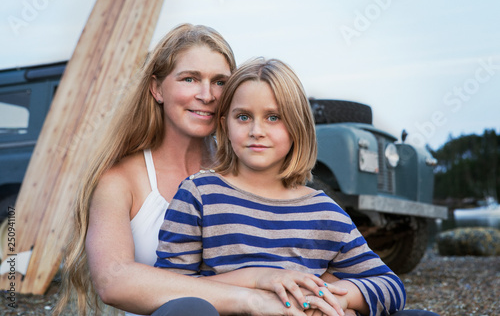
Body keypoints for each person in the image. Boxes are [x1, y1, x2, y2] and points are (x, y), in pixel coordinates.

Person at [55, 24, 340, 316]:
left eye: (219, 82)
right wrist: (253, 293)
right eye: (190, 79)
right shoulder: (118, 180)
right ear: (156, 88)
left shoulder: (252, 168)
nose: (207, 95)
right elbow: (113, 281)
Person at [155, 58, 439, 316]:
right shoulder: (199, 194)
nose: (257, 130)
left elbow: (390, 285)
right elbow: (170, 289)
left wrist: (336, 298)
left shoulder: (324, 210)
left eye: (273, 117)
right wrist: (255, 281)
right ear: (224, 124)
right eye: (243, 117)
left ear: (297, 127)